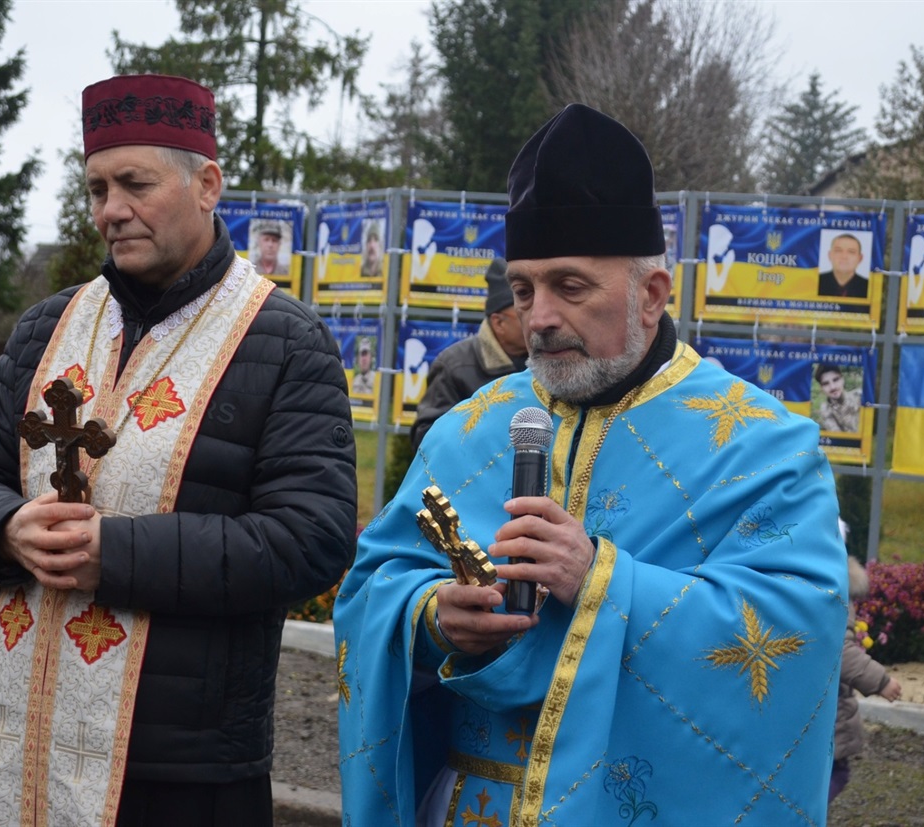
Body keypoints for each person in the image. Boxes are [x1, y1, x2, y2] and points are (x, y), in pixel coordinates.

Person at [335, 103, 847, 825]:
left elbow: (797, 633)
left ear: (651, 293)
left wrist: (603, 581)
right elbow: (372, 587)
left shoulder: (764, 446)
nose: (538, 316)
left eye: (569, 287)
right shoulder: (468, 427)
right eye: (523, 289)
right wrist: (430, 617)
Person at [0, 73, 356, 827]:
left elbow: (311, 540)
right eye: (97, 187)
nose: (110, 211)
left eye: (135, 183)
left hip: (185, 765)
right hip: (24, 729)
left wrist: (115, 556)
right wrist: (3, 526)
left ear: (207, 184)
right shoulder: (47, 328)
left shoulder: (288, 341)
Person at [408, 257, 529, 451]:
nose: (536, 319)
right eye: (523, 313)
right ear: (499, 323)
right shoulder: (454, 366)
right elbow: (427, 439)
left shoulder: (546, 363)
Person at [832, 555, 902, 803]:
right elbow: (838, 650)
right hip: (826, 712)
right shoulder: (833, 590)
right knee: (833, 775)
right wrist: (881, 681)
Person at [815, 362, 862, 432]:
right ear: (821, 388)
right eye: (826, 383)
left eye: (836, 380)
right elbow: (836, 435)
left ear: (842, 379)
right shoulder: (825, 409)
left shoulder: (859, 397)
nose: (832, 387)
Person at [818, 233, 869, 298]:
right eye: (838, 251)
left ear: (860, 258)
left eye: (851, 252)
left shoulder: (867, 286)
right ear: (830, 255)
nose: (844, 256)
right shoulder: (817, 282)